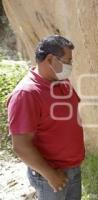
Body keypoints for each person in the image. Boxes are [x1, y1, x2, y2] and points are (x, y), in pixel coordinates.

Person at [6, 35, 85, 200]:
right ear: (50, 59)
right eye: (67, 61)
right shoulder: (26, 94)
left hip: (72, 168)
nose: (70, 66)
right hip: (51, 176)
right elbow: (20, 145)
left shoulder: (62, 82)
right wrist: (50, 175)